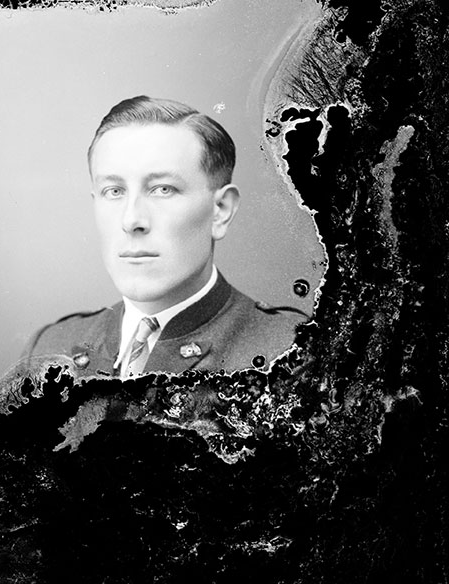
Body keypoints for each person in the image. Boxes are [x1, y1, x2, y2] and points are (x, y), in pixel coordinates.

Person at [24, 95, 307, 378]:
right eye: (114, 191)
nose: (131, 220)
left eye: (163, 189)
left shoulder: (294, 353)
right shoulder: (50, 348)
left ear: (220, 210)